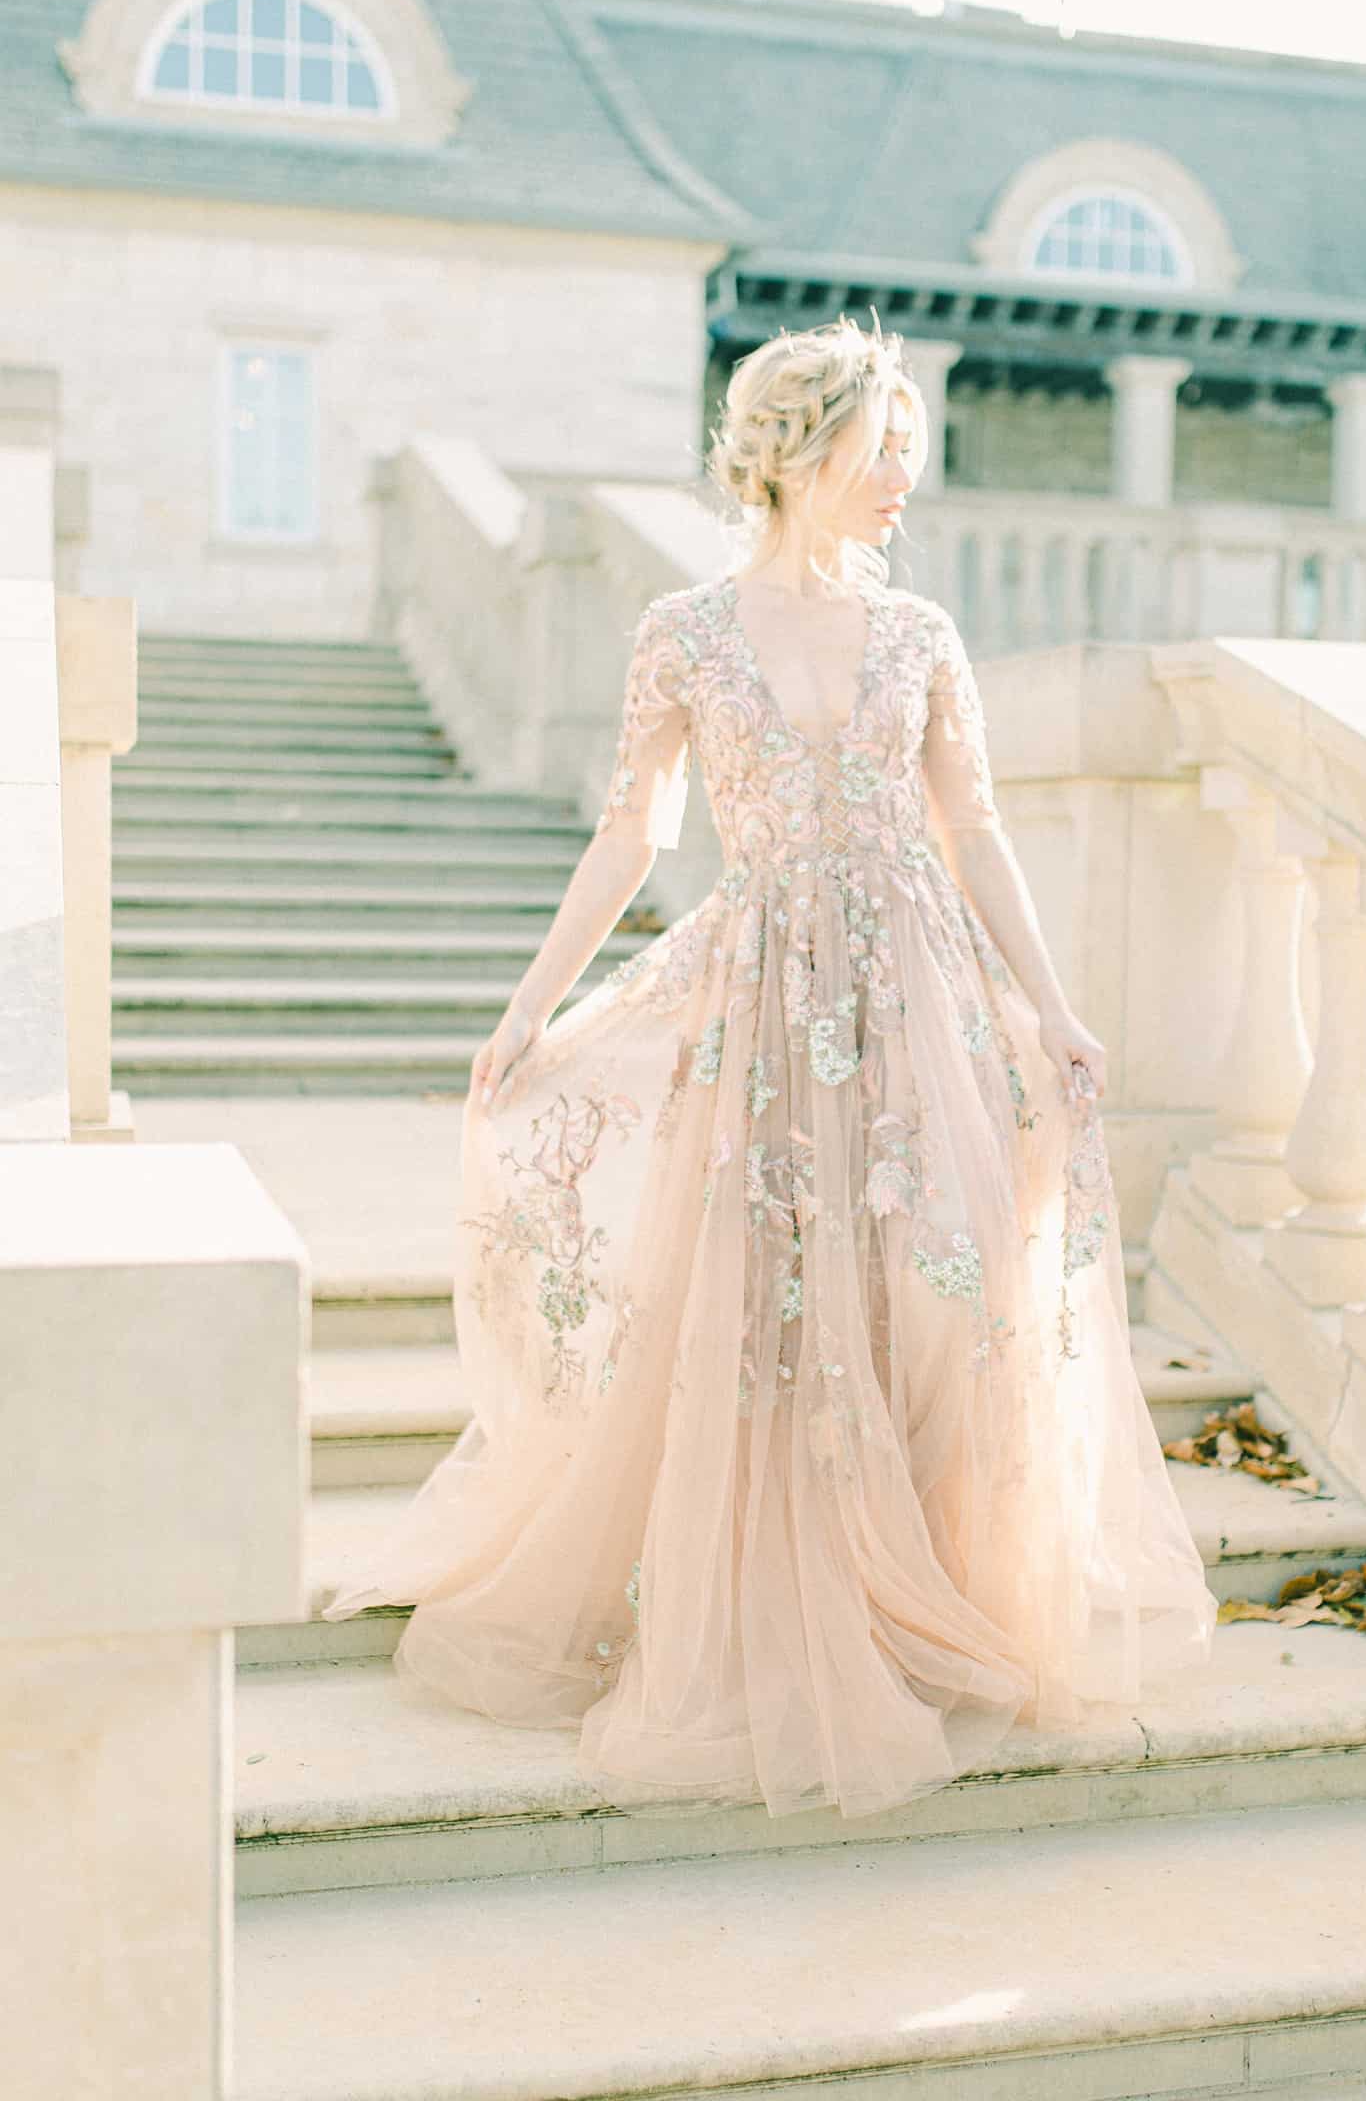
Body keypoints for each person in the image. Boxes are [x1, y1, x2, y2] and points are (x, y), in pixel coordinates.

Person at [322, 314, 1217, 1820]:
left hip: (917, 988)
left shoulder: (922, 637)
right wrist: (531, 1006)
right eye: (884, 457)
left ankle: (915, 1586)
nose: (901, 487)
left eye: (911, 460)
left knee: (932, 1289)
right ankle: (774, 1604)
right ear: (798, 458)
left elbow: (972, 832)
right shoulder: (683, 631)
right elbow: (633, 829)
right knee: (767, 1297)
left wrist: (1051, 1006)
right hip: (758, 995)